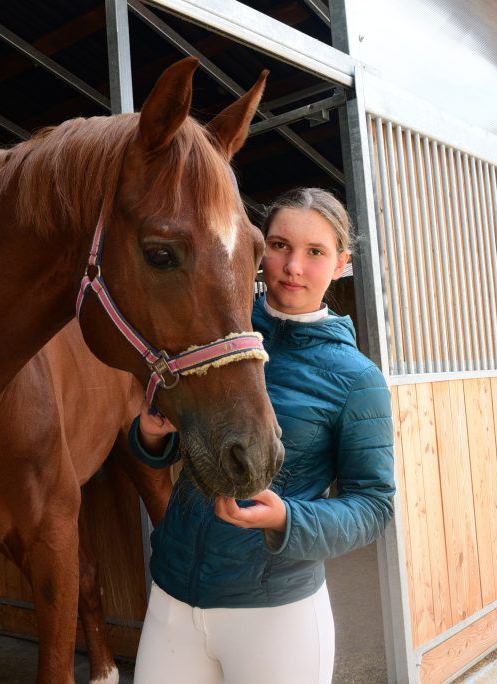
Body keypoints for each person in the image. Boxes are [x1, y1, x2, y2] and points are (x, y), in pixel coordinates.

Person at [130, 188, 395, 684]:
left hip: (274, 611)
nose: (293, 266)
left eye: (315, 252)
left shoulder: (357, 380)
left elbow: (374, 504)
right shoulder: (210, 337)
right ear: (258, 249)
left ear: (341, 263)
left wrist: (288, 519)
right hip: (172, 594)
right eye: (279, 246)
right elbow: (170, 445)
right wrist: (150, 435)